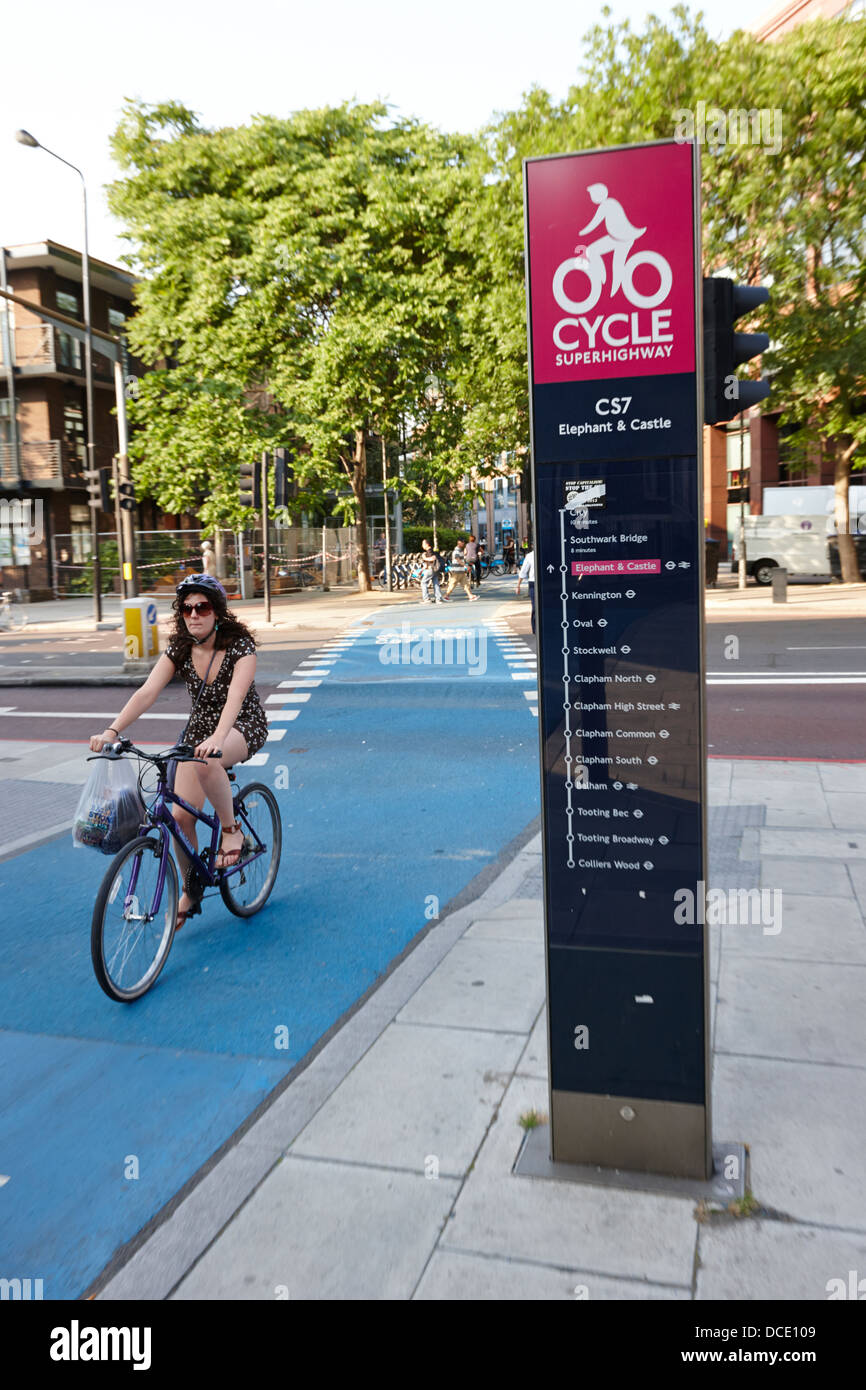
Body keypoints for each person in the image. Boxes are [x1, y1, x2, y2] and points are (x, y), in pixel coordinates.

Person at [88, 574, 270, 931]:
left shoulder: (240, 647)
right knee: (180, 817)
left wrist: (219, 737)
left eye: (202, 607)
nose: (194, 615)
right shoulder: (181, 647)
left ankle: (232, 831)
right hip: (199, 734)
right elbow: (147, 692)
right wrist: (113, 730)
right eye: (186, 609)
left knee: (207, 759)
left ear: (217, 611)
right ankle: (192, 889)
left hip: (241, 726)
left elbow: (235, 699)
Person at [516, 547, 536, 633]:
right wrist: (518, 585)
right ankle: (535, 629)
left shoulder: (530, 556)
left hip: (538, 583)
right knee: (535, 607)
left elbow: (523, 572)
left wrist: (518, 585)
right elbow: (523, 572)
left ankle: (536, 628)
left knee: (536, 607)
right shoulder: (530, 556)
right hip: (534, 583)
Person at [419, 538, 443, 603]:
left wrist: (424, 558)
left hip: (431, 569)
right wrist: (421, 570)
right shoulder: (432, 550)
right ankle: (438, 598)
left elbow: (433, 559)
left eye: (423, 544)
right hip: (435, 569)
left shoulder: (429, 551)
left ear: (427, 544)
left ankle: (426, 599)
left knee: (423, 582)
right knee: (435, 583)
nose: (422, 546)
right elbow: (427, 564)